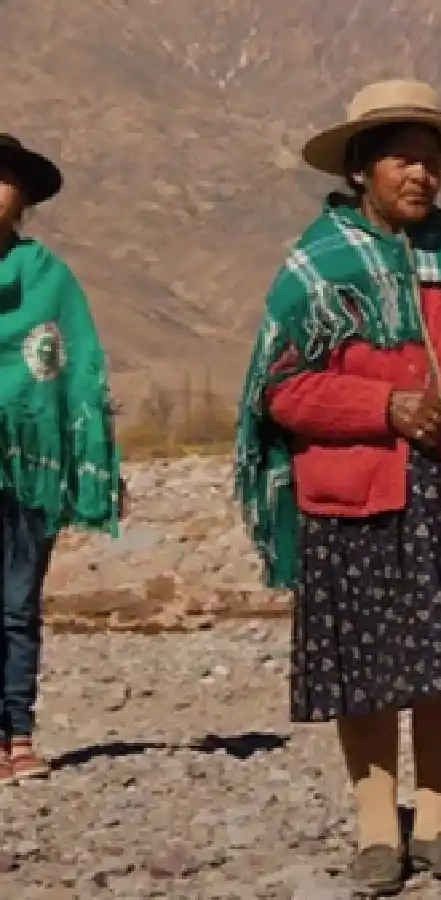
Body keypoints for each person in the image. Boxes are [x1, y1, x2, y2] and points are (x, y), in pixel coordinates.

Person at [233, 80, 441, 893]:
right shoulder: (317, 269)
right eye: (404, 160)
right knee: (366, 671)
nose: (422, 176)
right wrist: (382, 404)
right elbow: (282, 391)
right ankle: (379, 830)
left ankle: (439, 820)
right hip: (356, 498)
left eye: (433, 163)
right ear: (361, 169)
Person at [0, 134, 124, 784]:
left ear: (22, 200)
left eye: (1, 180)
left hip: (30, 467)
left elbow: (74, 369)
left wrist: (91, 455)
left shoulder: (48, 279)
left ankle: (17, 734)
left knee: (18, 602)